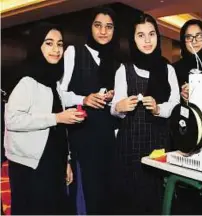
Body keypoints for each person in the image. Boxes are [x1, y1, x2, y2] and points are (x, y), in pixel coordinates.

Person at [4, 23, 83, 215]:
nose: (56, 50)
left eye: (59, 44)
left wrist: (67, 161)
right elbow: (12, 120)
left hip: (52, 160)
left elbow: (60, 131)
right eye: (49, 43)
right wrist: (56, 117)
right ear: (37, 45)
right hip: (30, 165)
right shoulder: (27, 79)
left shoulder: (52, 81)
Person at [111, 13, 180, 214]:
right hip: (130, 143)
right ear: (133, 39)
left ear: (158, 37)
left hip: (159, 142)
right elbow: (114, 108)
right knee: (132, 200)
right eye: (141, 35)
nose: (147, 40)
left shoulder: (168, 69)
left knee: (159, 197)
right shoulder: (124, 70)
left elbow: (175, 104)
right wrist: (119, 107)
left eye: (151, 34)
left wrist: (159, 109)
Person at [60, 7, 120, 214]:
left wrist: (112, 99)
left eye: (109, 27)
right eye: (98, 25)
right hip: (82, 137)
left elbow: (116, 108)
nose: (103, 31)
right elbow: (60, 93)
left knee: (107, 195)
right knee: (87, 196)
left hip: (107, 138)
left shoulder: (114, 60)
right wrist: (83, 99)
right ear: (90, 27)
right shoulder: (73, 52)